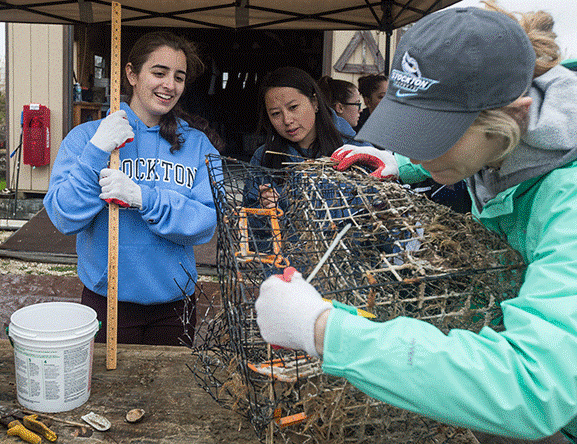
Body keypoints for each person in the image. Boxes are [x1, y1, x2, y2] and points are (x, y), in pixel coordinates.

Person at [256, 4, 577, 444]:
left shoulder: (568, 204)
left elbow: (535, 386)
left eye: (431, 133)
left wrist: (325, 331)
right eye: (409, 124)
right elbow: (477, 144)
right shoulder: (511, 133)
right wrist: (401, 163)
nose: (417, 148)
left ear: (515, 114)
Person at [44, 31, 223, 346]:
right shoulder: (87, 138)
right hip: (108, 300)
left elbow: (205, 222)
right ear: (131, 74)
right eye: (159, 72)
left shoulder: (197, 145)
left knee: (169, 393)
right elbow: (64, 216)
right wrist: (97, 151)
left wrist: (144, 199)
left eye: (178, 77)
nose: (169, 84)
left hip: (175, 305)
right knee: (109, 392)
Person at [246, 66, 396, 209]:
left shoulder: (358, 152)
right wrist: (266, 211)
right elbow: (251, 226)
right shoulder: (264, 159)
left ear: (315, 102)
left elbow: (383, 215)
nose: (287, 120)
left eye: (293, 107)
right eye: (275, 113)